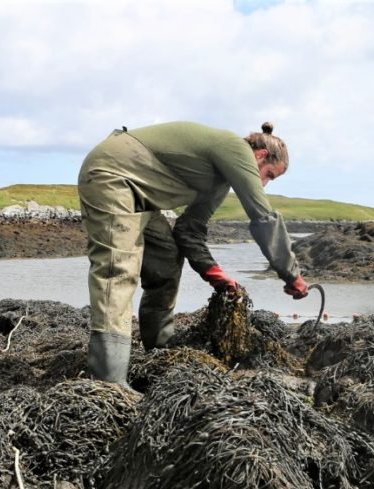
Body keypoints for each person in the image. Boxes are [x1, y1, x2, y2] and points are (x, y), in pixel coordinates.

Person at [77, 121, 308, 386]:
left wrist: (214, 274)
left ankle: (159, 348)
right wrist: (292, 274)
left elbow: (189, 230)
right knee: (117, 268)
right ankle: (109, 381)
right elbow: (262, 216)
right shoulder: (235, 148)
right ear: (260, 155)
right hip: (112, 175)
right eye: (269, 175)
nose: (265, 184)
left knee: (166, 255)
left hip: (140, 195)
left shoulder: (219, 183)